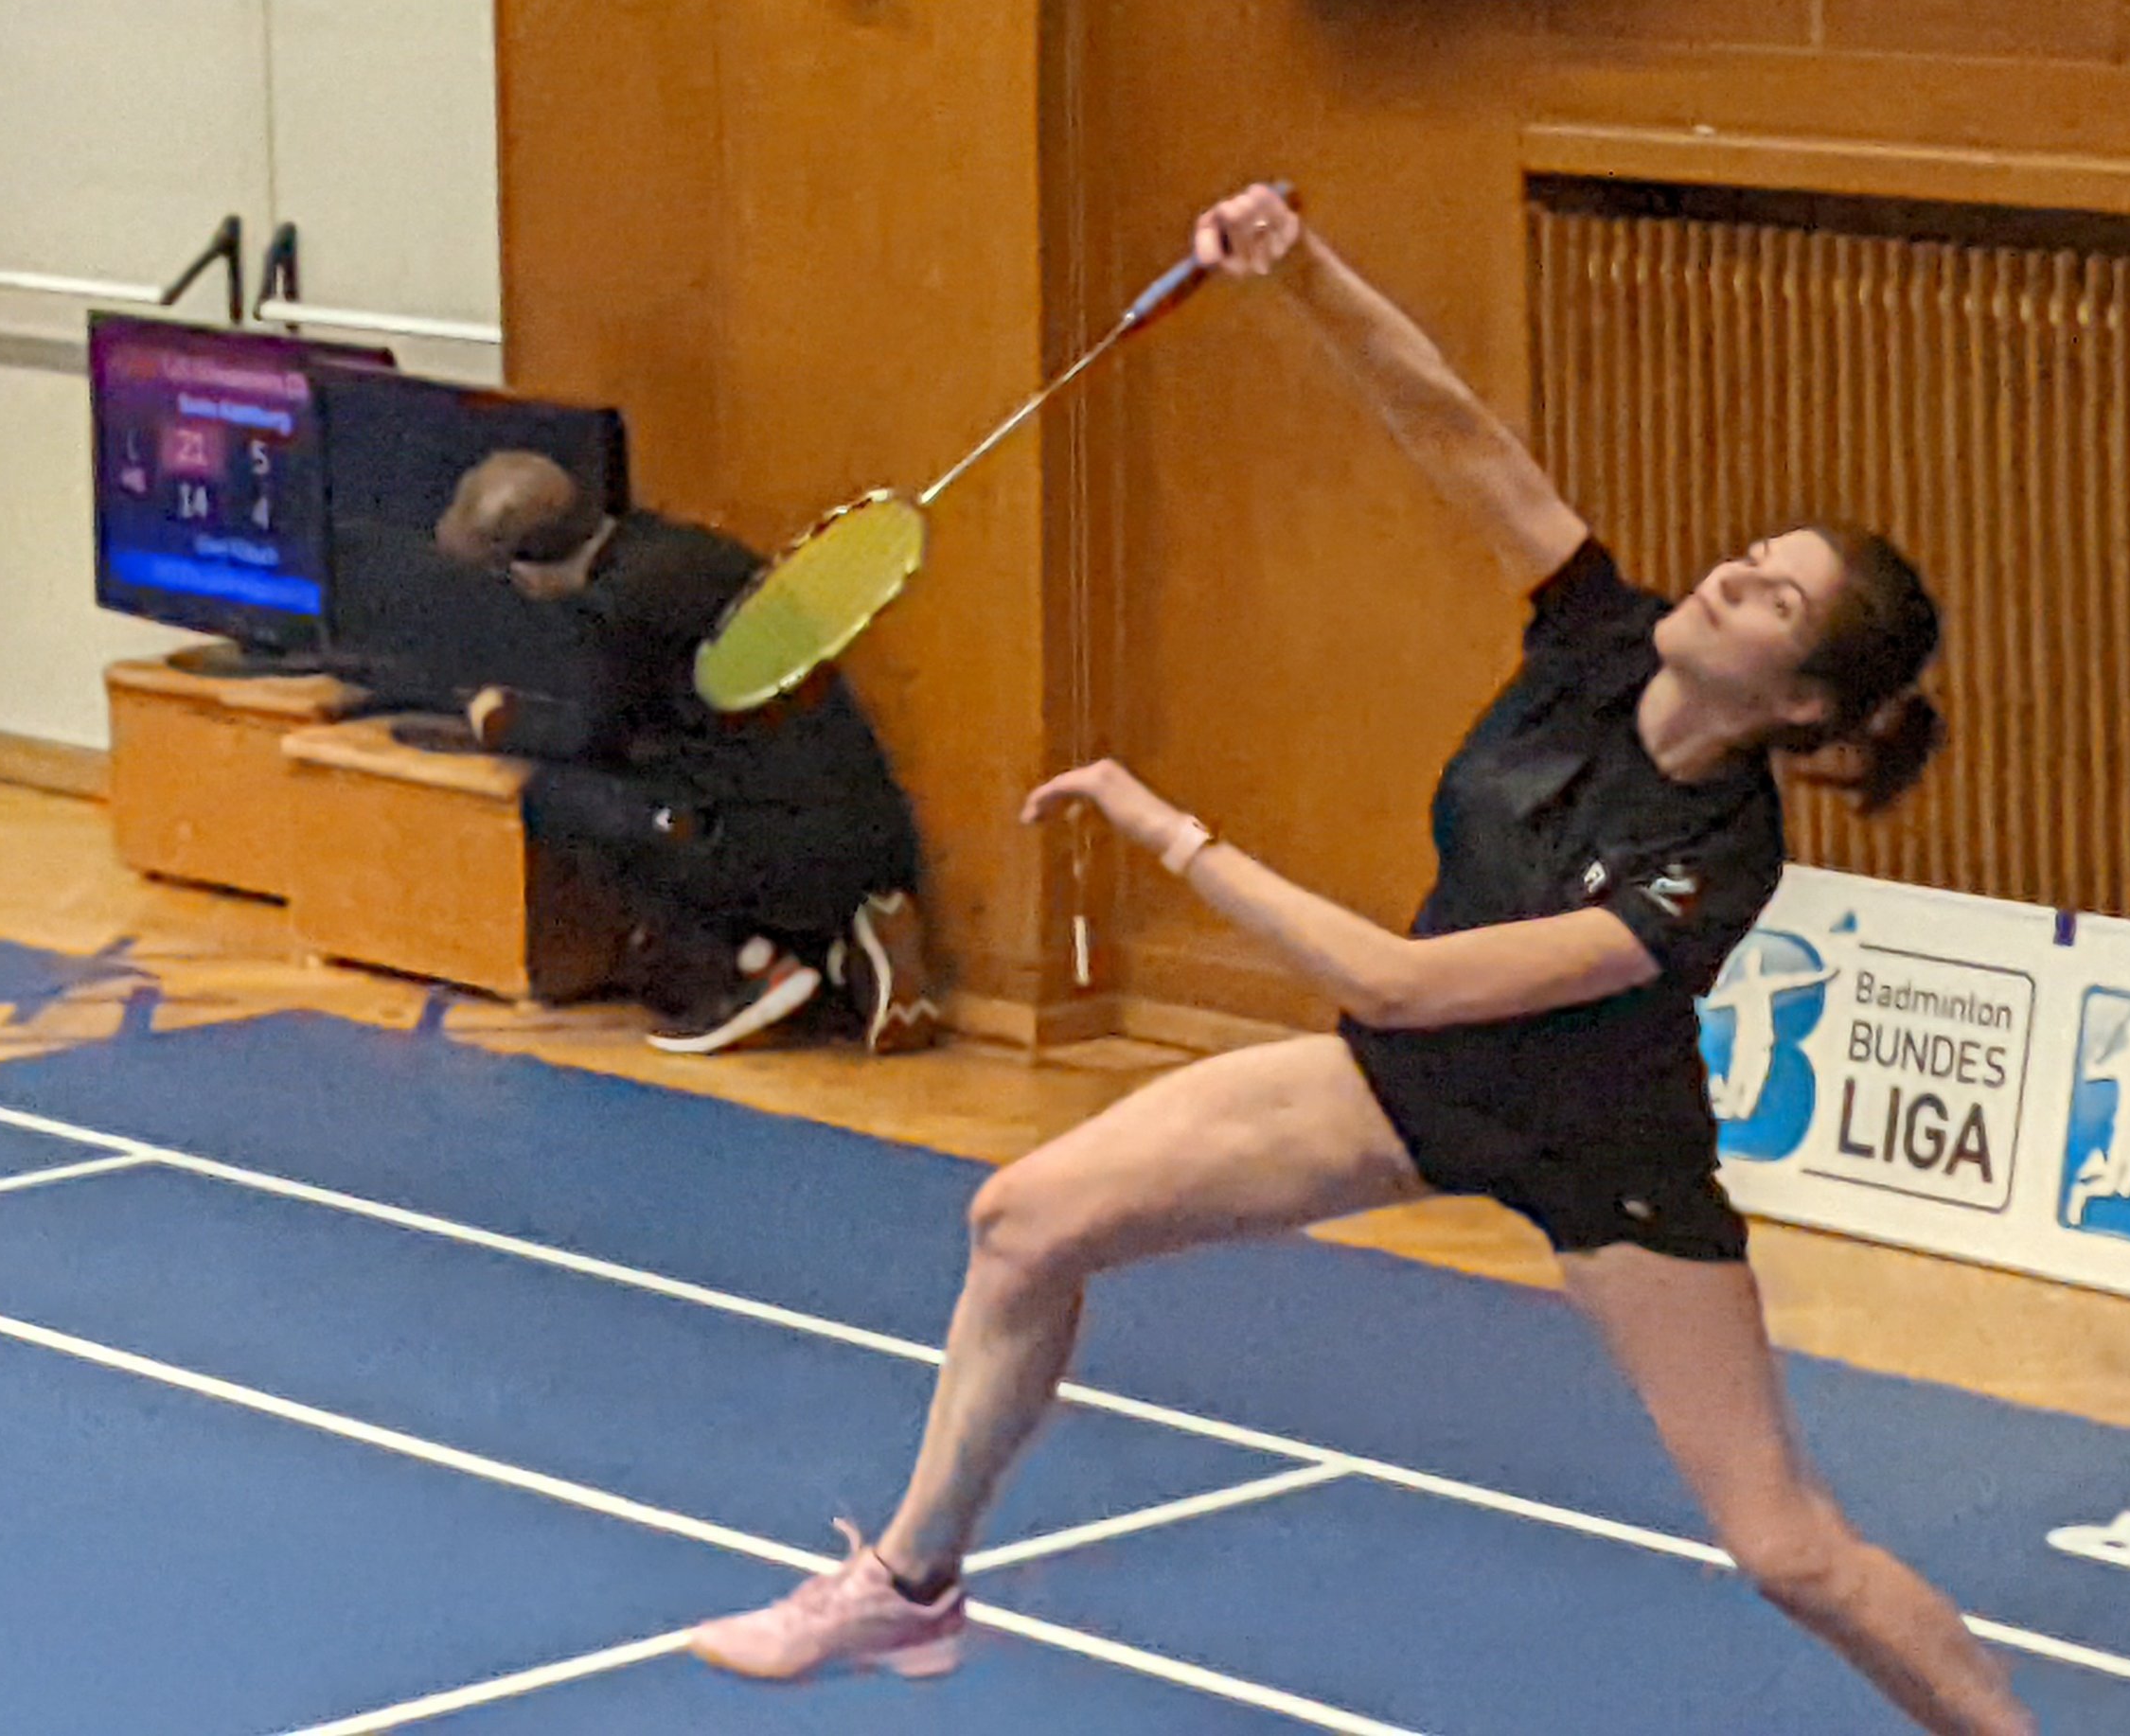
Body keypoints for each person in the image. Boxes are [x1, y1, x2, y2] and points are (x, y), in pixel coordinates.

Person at [683, 186, 2035, 1736]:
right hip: (1410, 1089)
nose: (1727, 576)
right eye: (1748, 555)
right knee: (1023, 1223)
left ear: (1801, 703)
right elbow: (1453, 429)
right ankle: (912, 1585)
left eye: (1773, 597)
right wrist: (1302, 266)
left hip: (1600, 1153)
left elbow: (1400, 985)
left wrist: (1171, 833)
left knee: (1786, 1546)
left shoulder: (1709, 862)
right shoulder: (1601, 638)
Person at [433, 452, 937, 1056]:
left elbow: (598, 737)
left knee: (562, 797)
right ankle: (848, 938)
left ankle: (751, 969)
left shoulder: (617, 609)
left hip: (784, 851)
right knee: (709, 777)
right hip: (871, 823)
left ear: (527, 573)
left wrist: (505, 721)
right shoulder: (690, 550)